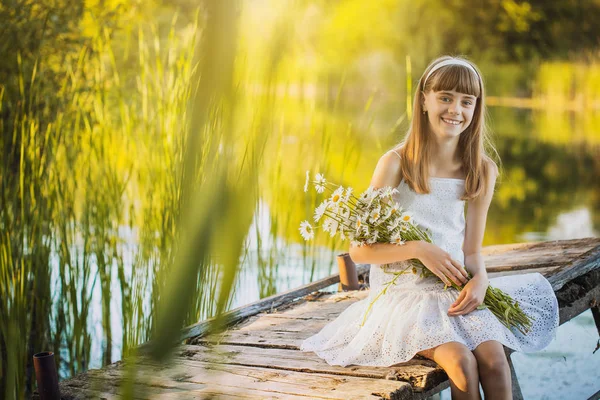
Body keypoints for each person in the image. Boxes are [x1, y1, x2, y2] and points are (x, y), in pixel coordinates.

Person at [299, 56, 559, 400]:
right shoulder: (396, 163)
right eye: (446, 97)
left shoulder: (481, 169)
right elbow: (360, 250)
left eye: (467, 101)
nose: (456, 109)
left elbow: (471, 251)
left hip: (453, 291)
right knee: (462, 363)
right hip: (403, 296)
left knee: (495, 362)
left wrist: (480, 279)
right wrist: (419, 249)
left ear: (476, 108)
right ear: (424, 100)